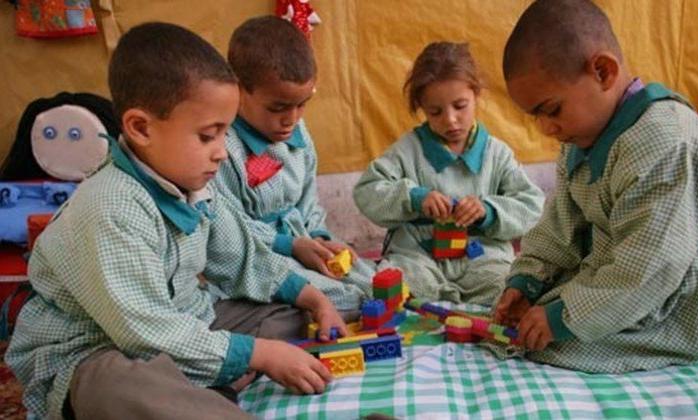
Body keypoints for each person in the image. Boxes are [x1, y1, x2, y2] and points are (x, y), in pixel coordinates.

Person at [5, 22, 347, 420]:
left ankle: (207, 383)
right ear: (141, 128)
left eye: (224, 135)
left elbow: (243, 257)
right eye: (208, 136)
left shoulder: (194, 185)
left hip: (186, 317)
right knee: (120, 387)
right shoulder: (109, 208)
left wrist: (315, 299)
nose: (222, 153)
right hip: (95, 350)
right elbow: (145, 332)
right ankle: (208, 394)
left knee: (292, 316)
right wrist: (259, 354)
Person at [493, 0, 698, 373]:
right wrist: (528, 279)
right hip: (620, 270)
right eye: (536, 117)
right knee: (529, 318)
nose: (546, 128)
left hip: (673, 290)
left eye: (552, 110)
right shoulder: (580, 138)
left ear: (603, 71)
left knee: (550, 343)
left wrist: (563, 317)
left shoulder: (665, 142)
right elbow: (559, 224)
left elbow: (651, 267)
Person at [353, 41, 544, 305]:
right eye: (435, 112)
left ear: (476, 95)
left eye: (460, 106)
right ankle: (432, 304)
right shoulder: (408, 150)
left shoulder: (496, 154)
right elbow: (367, 191)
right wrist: (414, 198)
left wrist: (489, 211)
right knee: (394, 287)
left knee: (508, 290)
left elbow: (531, 205)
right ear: (422, 108)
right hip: (418, 255)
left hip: (482, 255)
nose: (450, 119)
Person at [214, 15, 374, 311]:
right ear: (237, 88)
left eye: (302, 105)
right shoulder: (222, 149)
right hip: (260, 256)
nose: (291, 119)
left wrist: (319, 238)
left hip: (303, 243)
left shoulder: (297, 132)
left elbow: (308, 202)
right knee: (343, 298)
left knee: (371, 279)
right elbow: (226, 229)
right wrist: (290, 246)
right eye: (278, 107)